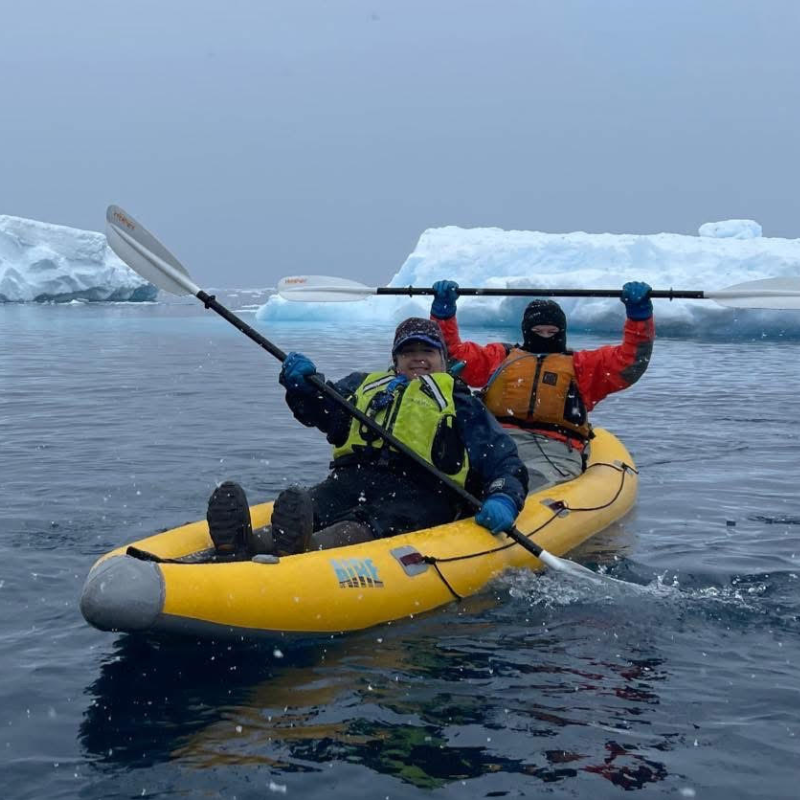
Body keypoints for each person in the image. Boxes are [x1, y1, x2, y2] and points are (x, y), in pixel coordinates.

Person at [207, 317, 529, 558]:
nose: (418, 358)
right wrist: (303, 388)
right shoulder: (363, 385)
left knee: (370, 521)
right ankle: (246, 541)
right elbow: (324, 412)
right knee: (316, 504)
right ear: (395, 359)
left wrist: (503, 497)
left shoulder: (461, 402)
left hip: (422, 491)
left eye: (427, 351)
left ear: (444, 359)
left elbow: (504, 461)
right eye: (408, 351)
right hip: (352, 478)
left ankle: (309, 549)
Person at [428, 280, 655, 492]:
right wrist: (443, 315)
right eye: (538, 332)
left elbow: (630, 362)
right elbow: (452, 355)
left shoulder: (583, 366)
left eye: (552, 332)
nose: (545, 337)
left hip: (555, 451)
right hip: (496, 443)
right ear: (526, 332)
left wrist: (639, 318)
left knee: (528, 484)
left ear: (562, 333)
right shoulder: (500, 358)